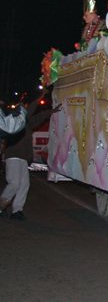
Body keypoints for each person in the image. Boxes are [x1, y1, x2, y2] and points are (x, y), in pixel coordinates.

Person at [0, 87, 60, 220]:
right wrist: (41, 96)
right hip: (13, 156)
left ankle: (16, 211)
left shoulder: (25, 124)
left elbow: (38, 117)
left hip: (23, 158)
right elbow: (31, 110)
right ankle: (2, 205)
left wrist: (52, 111)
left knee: (23, 185)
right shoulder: (14, 122)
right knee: (14, 183)